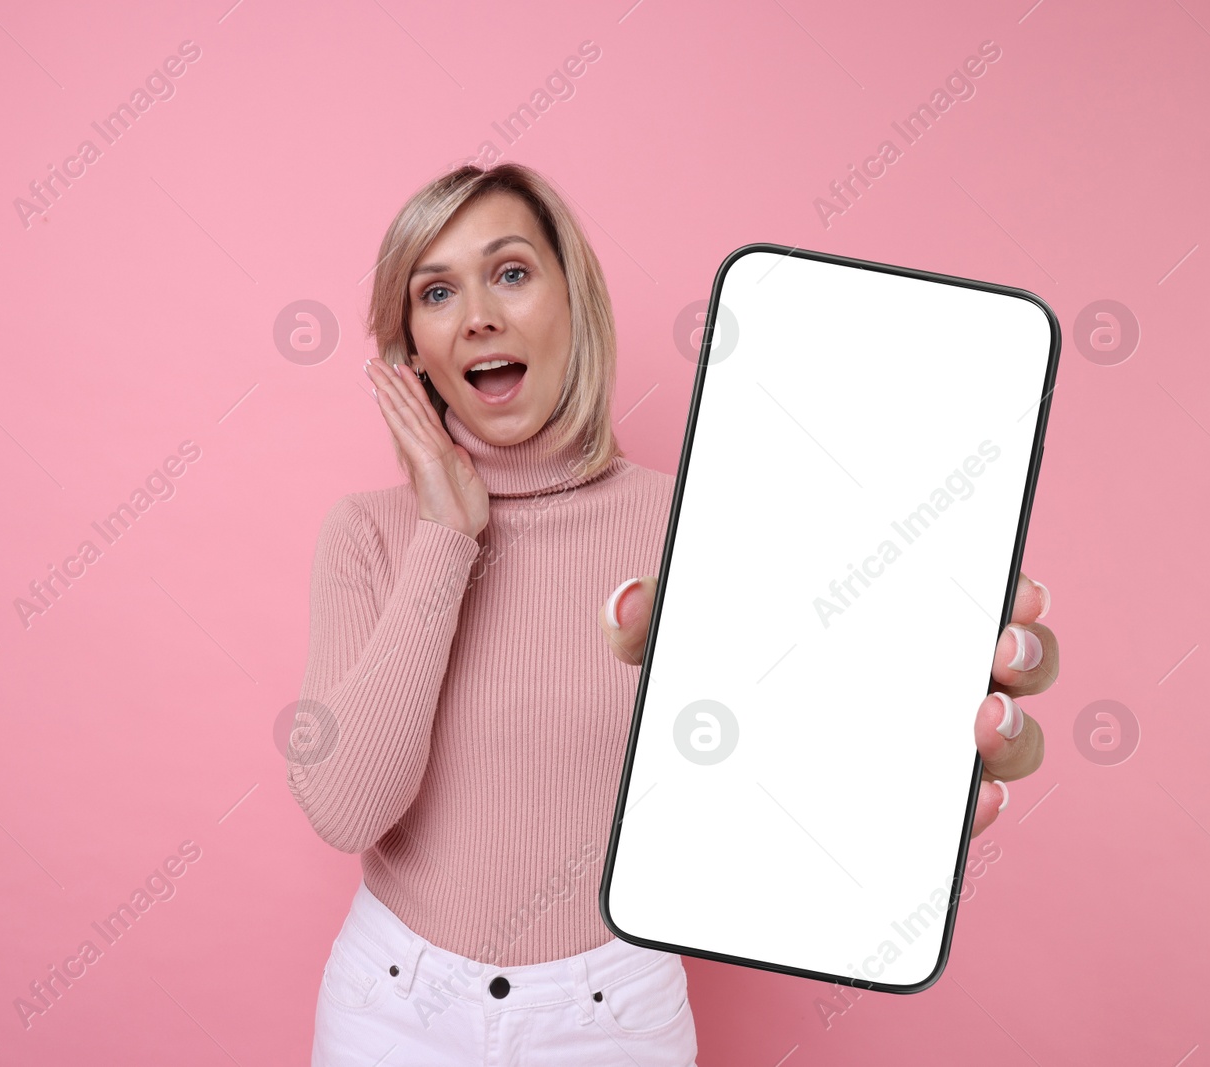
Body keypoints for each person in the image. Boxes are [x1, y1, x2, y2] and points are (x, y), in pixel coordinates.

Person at [286, 162, 1057, 1065]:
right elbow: (345, 809)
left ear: (574, 301)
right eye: (437, 290)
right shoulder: (370, 536)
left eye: (511, 272)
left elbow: (786, 757)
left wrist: (902, 764)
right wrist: (447, 534)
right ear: (413, 351)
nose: (479, 316)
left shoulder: (698, 527)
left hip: (611, 1017)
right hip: (391, 1007)